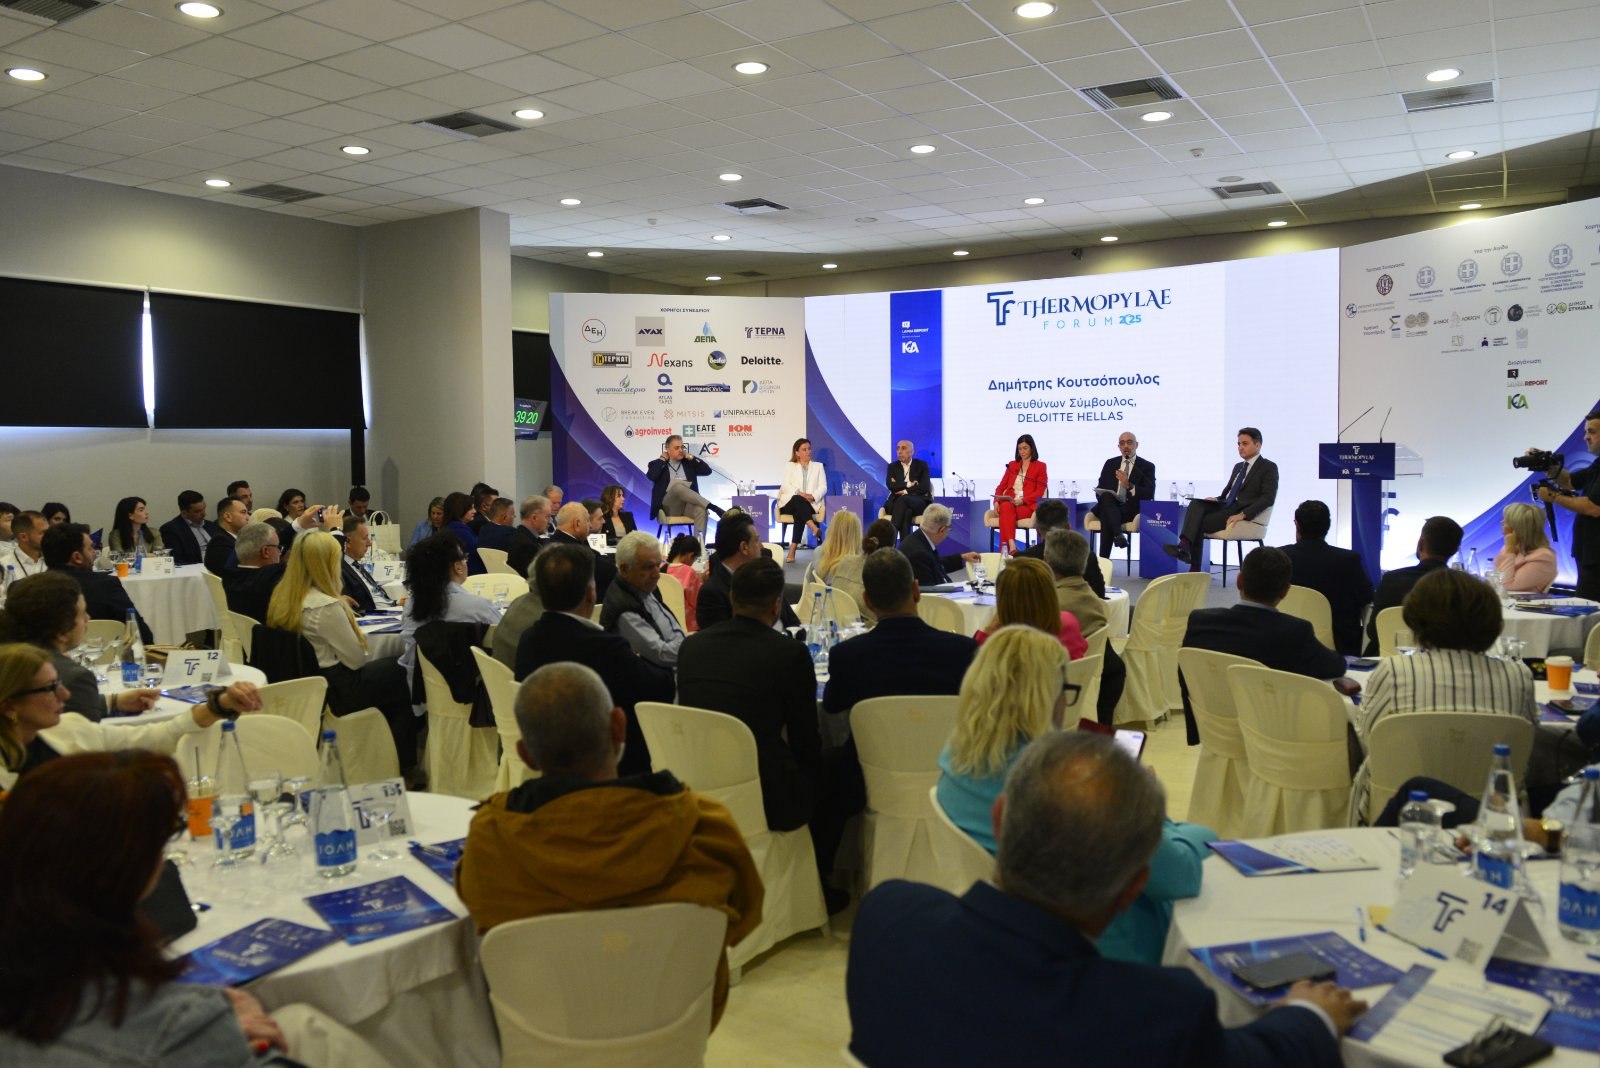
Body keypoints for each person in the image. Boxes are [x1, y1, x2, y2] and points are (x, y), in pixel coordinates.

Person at [852, 731, 1361, 1066]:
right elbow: (1259, 1059)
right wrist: (1311, 1014)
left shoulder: (887, 917)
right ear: (1135, 886)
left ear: (1000, 821)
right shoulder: (1154, 1014)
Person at [0, 751, 383, 1067]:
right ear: (133, 865)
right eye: (167, 834)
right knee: (313, 1031)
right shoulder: (174, 1024)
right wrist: (226, 1024)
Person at [455, 661, 763, 1029]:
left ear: (526, 754)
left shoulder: (491, 840)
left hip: (545, 1035)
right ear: (619, 726)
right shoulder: (706, 828)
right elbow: (744, 920)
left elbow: (480, 926)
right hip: (676, 1032)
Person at [936, 628, 1214, 962]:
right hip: (1104, 942)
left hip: (1008, 932)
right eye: (1064, 690)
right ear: (1046, 696)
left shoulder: (955, 760)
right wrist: (1151, 810)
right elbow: (1180, 876)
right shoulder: (1065, 785)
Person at [678, 558, 855, 912]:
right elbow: (806, 741)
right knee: (840, 767)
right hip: (765, 795)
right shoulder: (788, 654)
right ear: (776, 606)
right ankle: (816, 880)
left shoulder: (691, 647)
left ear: (732, 598)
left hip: (696, 782)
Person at [1349, 568, 1540, 821]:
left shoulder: (1394, 671)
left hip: (1398, 803)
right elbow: (1526, 744)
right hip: (1492, 810)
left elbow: (1369, 738)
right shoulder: (1518, 676)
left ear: (1416, 618)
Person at [265, 531, 417, 781]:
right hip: (339, 690)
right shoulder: (325, 606)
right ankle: (400, 764)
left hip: (306, 684)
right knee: (404, 672)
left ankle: (389, 757)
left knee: (392, 674)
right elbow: (355, 660)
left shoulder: (283, 597)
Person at [514, 543, 673, 777]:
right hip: (614, 769)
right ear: (591, 593)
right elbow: (662, 689)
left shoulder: (529, 640)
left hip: (549, 764)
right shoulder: (606, 648)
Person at [0, 642, 258, 777]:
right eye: (50, 689)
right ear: (9, 706)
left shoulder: (71, 729)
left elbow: (160, 736)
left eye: (59, 684)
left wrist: (220, 705)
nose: (65, 695)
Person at [1180, 546, 1346, 746]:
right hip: (1272, 740)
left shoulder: (1200, 622)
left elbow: (1186, 677)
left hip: (1217, 733)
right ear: (1285, 591)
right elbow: (1335, 666)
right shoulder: (1294, 632)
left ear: (1239, 581)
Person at [823, 548, 978, 716]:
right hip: (942, 734)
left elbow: (831, 707)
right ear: (916, 591)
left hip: (872, 734)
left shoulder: (846, 657)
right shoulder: (962, 652)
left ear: (867, 600)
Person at [0, 572, 158, 722]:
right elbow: (85, 737)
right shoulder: (73, 678)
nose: (88, 618)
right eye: (82, 613)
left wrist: (112, 702)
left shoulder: (9, 659)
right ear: (62, 631)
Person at [1165, 427, 1278, 571]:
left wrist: (1243, 514)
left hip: (1240, 510)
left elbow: (1268, 498)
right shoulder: (1238, 467)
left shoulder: (1268, 467)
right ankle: (1184, 547)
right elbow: (1228, 494)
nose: (1240, 447)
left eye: (1245, 443)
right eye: (1238, 444)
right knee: (1196, 503)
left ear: (1258, 445)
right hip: (1226, 505)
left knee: (1199, 522)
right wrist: (1216, 499)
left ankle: (1192, 564)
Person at [1044, 529, 1126, 722]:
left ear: (1046, 559)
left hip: (1056, 687)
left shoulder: (1048, 605)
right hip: (1095, 675)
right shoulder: (1096, 601)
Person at [397, 532, 499, 683]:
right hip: (473, 690)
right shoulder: (480, 607)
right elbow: (505, 640)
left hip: (420, 690)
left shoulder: (411, 606)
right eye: (464, 558)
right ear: (457, 567)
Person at [1278, 499, 1373, 656]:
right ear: (1328, 526)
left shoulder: (1279, 557)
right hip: (1339, 649)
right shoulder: (1348, 560)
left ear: (1297, 525)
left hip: (1285, 644)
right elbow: (1367, 599)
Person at [1363, 514, 1462, 655]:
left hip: (1385, 661)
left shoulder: (1391, 580)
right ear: (1455, 550)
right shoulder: (1462, 587)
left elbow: (1374, 631)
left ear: (1421, 544)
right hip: (1440, 662)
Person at [41, 523, 152, 646]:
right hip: (104, 655)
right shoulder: (106, 585)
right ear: (77, 557)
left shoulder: (31, 588)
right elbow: (139, 632)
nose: (94, 553)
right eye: (90, 548)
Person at [1536, 410, 1600, 601]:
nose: (1586, 437)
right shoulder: (1597, 465)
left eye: (1592, 432)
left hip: (1596, 558)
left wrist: (1554, 497)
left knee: (1590, 611)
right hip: (1589, 555)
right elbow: (1569, 481)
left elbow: (1593, 507)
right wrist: (1548, 466)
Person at [600, 531, 685, 668]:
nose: (656, 575)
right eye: (648, 567)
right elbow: (662, 654)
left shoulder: (643, 587)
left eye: (658, 565)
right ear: (625, 569)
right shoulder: (624, 610)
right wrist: (691, 649)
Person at [974, 557, 1086, 659]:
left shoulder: (1003, 645)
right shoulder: (1068, 623)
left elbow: (972, 662)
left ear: (1005, 601)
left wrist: (989, 629)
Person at [1015, 498, 1107, 598]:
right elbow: (1099, 595)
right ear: (1069, 527)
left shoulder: (1021, 560)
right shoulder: (1087, 557)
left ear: (1037, 531)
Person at [1091, 431, 1155, 556]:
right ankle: (1117, 534)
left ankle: (1103, 560)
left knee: (1107, 515)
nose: (1126, 446)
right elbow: (1100, 488)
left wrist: (1128, 485)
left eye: (1129, 442)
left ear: (1136, 445)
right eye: (1122, 443)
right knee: (1107, 498)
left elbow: (1149, 493)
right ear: (1119, 447)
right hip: (1109, 505)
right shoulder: (1110, 463)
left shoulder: (1147, 466)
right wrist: (1104, 495)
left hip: (1130, 509)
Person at [991, 433, 1048, 556]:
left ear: (1032, 448)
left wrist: (1023, 500)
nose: (1022, 451)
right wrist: (996, 501)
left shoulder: (1040, 466)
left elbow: (1040, 490)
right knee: (1006, 506)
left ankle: (1005, 553)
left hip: (1027, 505)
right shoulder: (1012, 465)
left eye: (1025, 448)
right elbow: (1001, 486)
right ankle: (1012, 544)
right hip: (1010, 503)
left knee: (1005, 513)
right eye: (1020, 449)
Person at [899, 502, 978, 587]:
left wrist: (962, 557)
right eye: (949, 528)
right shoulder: (919, 554)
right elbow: (930, 591)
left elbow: (936, 565)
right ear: (942, 530)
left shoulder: (919, 539)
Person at [549, 500, 616, 600]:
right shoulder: (569, 549)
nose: (590, 525)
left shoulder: (564, 541)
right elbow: (604, 570)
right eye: (588, 520)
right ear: (577, 524)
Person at [221, 521, 285, 622]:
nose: (280, 553)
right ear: (265, 552)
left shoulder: (228, 576)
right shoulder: (274, 580)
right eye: (278, 548)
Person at [778, 437, 827, 563]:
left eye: (809, 449)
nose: (808, 452)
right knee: (797, 499)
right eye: (804, 449)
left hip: (810, 503)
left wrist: (812, 496)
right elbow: (785, 486)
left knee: (799, 511)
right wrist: (801, 494)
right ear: (797, 452)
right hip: (789, 502)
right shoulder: (790, 466)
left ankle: (793, 549)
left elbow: (823, 487)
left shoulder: (818, 466)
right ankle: (812, 526)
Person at [1494, 500, 1557, 593]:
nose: (1502, 522)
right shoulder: (1511, 547)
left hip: (1522, 601)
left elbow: (1505, 586)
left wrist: (1509, 551)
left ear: (1518, 527)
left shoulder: (1543, 557)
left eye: (1507, 521)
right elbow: (1494, 581)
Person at [339, 515, 397, 614]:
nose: (369, 543)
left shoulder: (356, 565)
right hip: (373, 616)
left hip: (389, 610)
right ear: (348, 542)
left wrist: (397, 603)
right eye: (364, 538)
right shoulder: (340, 570)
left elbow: (376, 596)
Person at [813, 509, 865, 608]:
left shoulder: (818, 553)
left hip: (824, 608)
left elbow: (810, 585)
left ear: (831, 529)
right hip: (852, 612)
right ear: (857, 534)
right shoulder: (860, 564)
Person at [884, 439, 931, 541]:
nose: (899, 451)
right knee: (907, 512)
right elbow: (891, 485)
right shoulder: (892, 467)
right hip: (896, 503)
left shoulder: (922, 465)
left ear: (912, 452)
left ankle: (890, 538)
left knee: (904, 499)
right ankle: (904, 547)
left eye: (903, 448)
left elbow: (924, 487)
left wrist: (905, 491)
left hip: (918, 502)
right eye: (898, 448)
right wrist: (909, 484)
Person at [158, 490, 218, 568]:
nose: (204, 514)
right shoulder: (171, 529)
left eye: (204, 508)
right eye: (198, 511)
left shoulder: (211, 525)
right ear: (184, 513)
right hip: (197, 569)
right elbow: (178, 559)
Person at [438, 490, 486, 575]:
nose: (474, 511)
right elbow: (477, 552)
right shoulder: (460, 530)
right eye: (471, 508)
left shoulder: (452, 527)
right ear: (460, 510)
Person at [664, 534, 704, 632]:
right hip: (687, 627)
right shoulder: (689, 572)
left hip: (666, 624)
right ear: (690, 556)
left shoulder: (661, 568)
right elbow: (698, 602)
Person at [506, 495, 550, 578]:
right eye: (547, 517)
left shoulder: (520, 535)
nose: (549, 522)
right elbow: (535, 578)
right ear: (534, 518)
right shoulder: (526, 546)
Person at [0, 511, 46, 591]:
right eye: (42, 533)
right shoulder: (3, 565)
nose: (48, 536)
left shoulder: (55, 563)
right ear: (23, 537)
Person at [204, 495, 250, 575]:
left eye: (247, 513)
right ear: (228, 517)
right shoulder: (220, 542)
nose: (248, 517)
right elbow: (235, 574)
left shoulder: (230, 538)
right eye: (243, 512)